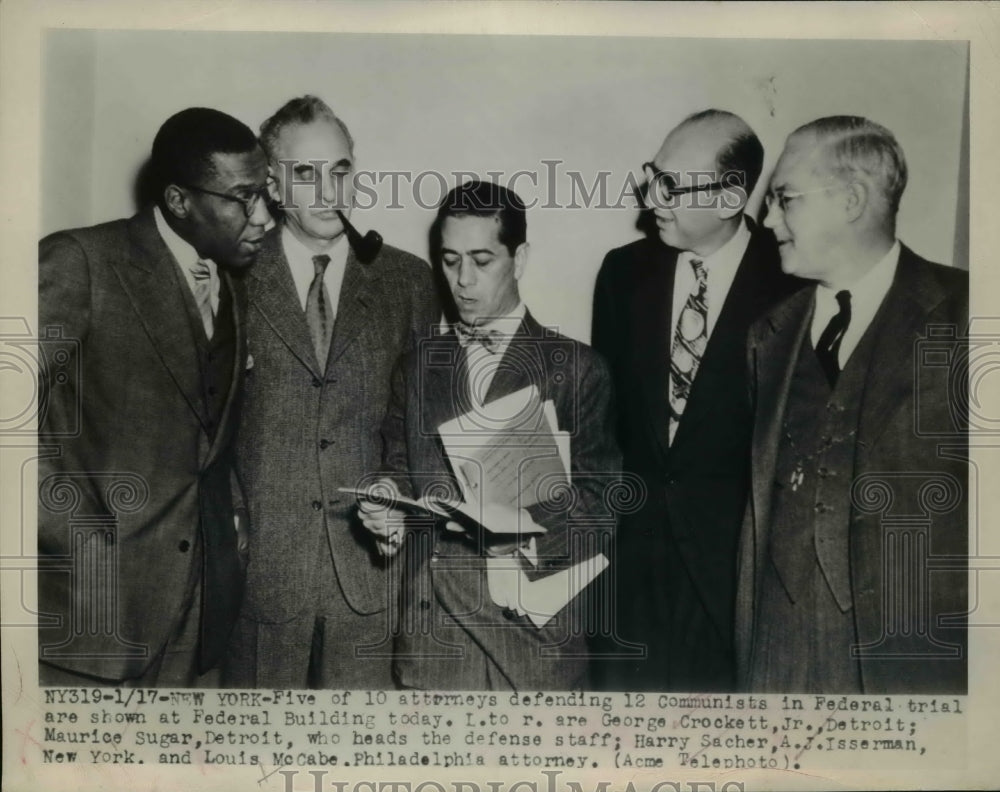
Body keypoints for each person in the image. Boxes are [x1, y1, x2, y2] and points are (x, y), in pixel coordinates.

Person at [37, 107, 270, 686]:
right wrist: (76, 540)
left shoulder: (229, 283)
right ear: (178, 200)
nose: (264, 217)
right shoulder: (80, 261)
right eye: (244, 197)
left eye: (264, 193)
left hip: (194, 618)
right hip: (88, 622)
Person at [735, 115, 968, 693]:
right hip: (774, 658)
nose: (767, 221)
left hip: (905, 664)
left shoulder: (969, 315)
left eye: (784, 199)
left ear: (851, 200)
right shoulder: (768, 334)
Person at [359, 180, 621, 690]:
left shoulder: (577, 368)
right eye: (450, 259)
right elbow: (395, 470)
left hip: (536, 648)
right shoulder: (415, 367)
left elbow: (603, 506)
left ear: (519, 258)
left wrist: (514, 529)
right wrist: (386, 507)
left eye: (483, 260)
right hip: (434, 649)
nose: (462, 280)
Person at [223, 96, 437, 688]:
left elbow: (421, 427)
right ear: (274, 184)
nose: (327, 191)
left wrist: (398, 494)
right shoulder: (231, 274)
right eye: (306, 174)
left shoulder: (409, 282)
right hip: (259, 577)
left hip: (371, 577)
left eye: (340, 171)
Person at [591, 109, 800, 690]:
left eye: (672, 184)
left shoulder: (794, 288)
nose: (652, 195)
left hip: (732, 585)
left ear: (732, 197)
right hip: (627, 578)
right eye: (653, 175)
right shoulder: (622, 274)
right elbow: (606, 427)